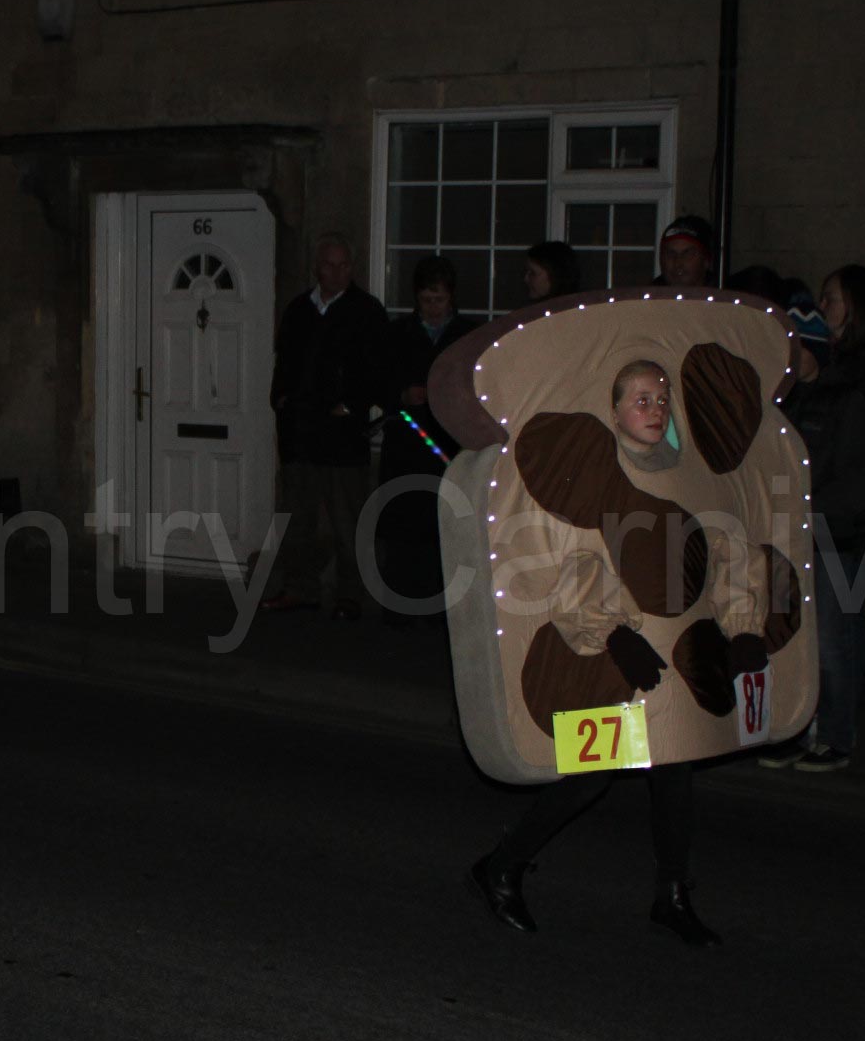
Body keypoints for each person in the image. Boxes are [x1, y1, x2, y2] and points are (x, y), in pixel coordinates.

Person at [464, 360, 772, 950]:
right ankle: (500, 867)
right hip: (612, 660)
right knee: (592, 776)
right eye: (640, 399)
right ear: (614, 410)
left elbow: (727, 549)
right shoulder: (594, 472)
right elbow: (573, 560)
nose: (655, 409)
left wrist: (744, 628)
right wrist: (613, 633)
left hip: (677, 660)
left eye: (662, 399)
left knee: (676, 772)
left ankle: (671, 894)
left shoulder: (691, 475)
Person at [762, 265, 865, 771]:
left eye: (796, 347)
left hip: (835, 536)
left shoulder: (846, 400)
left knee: (832, 638)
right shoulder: (780, 405)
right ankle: (796, 726)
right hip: (792, 536)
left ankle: (837, 735)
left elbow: (861, 479)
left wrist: (809, 512)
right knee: (792, 640)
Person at [262, 231, 386, 619]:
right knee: (298, 518)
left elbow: (376, 367)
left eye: (344, 265)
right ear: (318, 268)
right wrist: (281, 399)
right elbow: (284, 360)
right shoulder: (299, 309)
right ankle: (300, 588)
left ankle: (350, 594)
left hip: (342, 437)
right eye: (330, 265)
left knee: (347, 520)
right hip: (300, 433)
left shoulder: (366, 310)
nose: (337, 273)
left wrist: (352, 405)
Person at [371, 254, 467, 620]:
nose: (432, 308)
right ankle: (401, 608)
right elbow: (377, 380)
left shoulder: (466, 336)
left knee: (445, 527)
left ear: (451, 297)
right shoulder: (397, 334)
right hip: (407, 446)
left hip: (449, 446)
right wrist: (401, 395)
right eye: (426, 300)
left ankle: (444, 611)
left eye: (439, 299)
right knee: (404, 527)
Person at [655, 215, 715, 290]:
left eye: (687, 254)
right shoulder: (647, 295)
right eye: (670, 254)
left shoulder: (723, 294)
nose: (678, 263)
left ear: (706, 260)